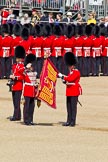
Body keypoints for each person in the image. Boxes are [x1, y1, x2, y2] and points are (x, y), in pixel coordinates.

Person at [58, 52, 82, 127]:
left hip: (74, 91)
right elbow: (68, 80)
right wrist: (64, 81)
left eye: (70, 66)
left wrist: (62, 76)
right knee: (68, 107)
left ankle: (73, 121)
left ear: (73, 65)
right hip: (69, 91)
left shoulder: (76, 72)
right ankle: (68, 121)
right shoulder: (71, 72)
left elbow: (71, 79)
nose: (69, 67)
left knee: (73, 107)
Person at [9, 45, 26, 121]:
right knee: (14, 101)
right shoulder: (14, 66)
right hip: (13, 85)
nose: (17, 59)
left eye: (18, 58)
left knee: (17, 101)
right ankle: (17, 115)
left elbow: (23, 77)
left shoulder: (22, 67)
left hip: (19, 86)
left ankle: (16, 116)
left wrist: (15, 77)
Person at [23, 54, 39, 125]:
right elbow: (20, 71)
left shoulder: (34, 73)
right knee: (26, 106)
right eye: (31, 66)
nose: (32, 67)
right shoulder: (25, 73)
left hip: (33, 91)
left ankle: (30, 119)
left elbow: (35, 81)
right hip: (27, 91)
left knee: (32, 106)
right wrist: (26, 67)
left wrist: (36, 85)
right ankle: (26, 120)